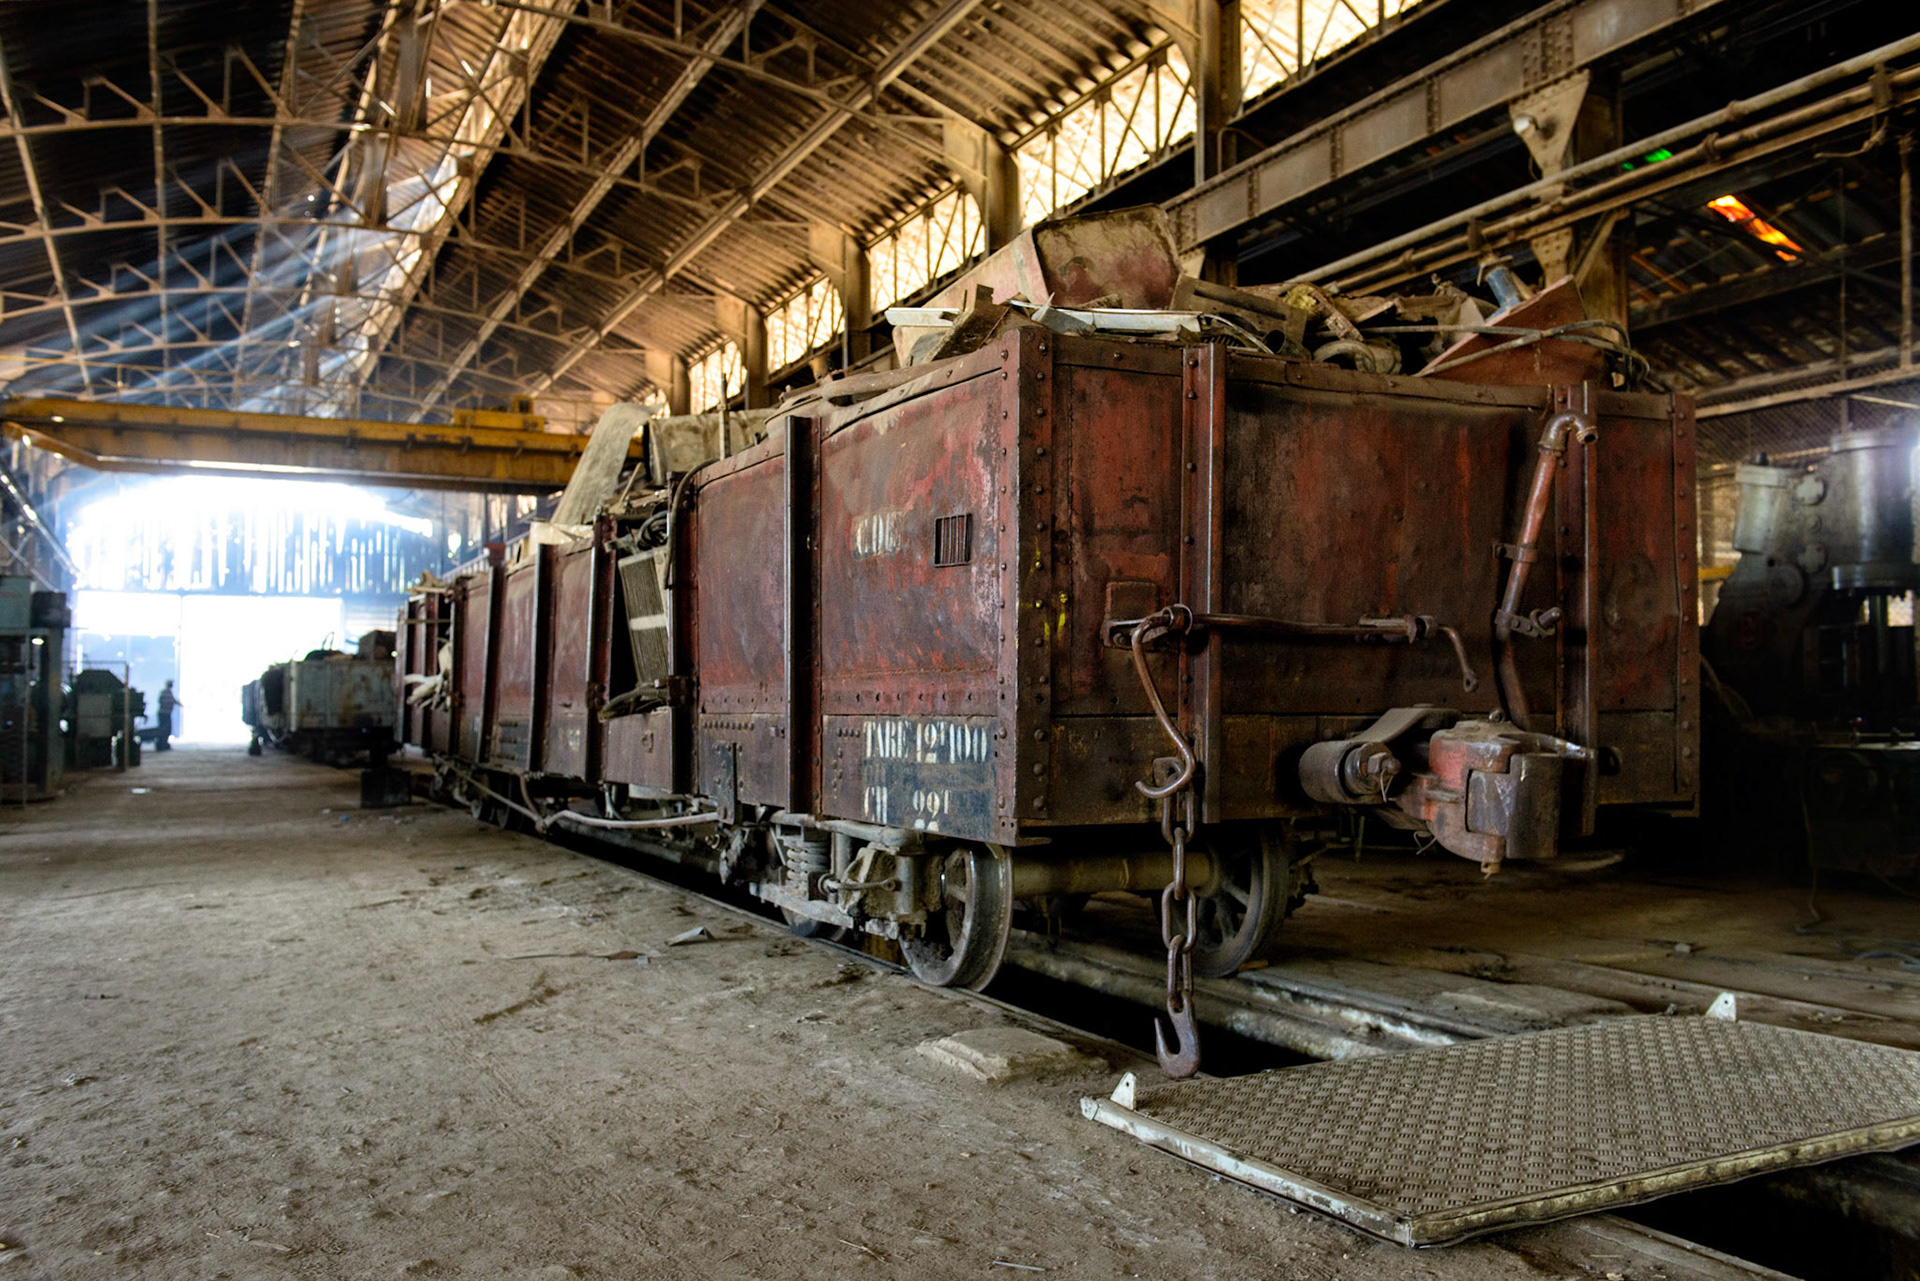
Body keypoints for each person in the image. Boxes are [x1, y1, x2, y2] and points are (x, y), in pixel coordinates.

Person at [156, 680, 178, 751]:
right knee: (164, 729)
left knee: (167, 729)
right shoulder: (165, 692)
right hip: (164, 714)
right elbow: (161, 701)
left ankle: (164, 743)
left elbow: (173, 701)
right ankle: (162, 744)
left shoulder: (168, 692)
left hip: (166, 713)